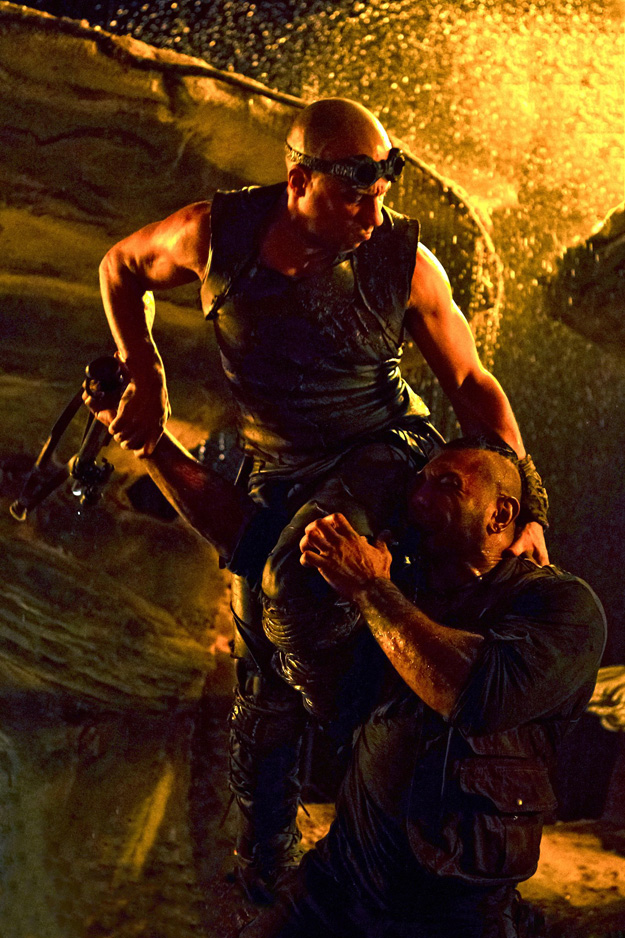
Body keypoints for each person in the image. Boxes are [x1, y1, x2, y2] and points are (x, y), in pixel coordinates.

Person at [96, 97, 549, 897]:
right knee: (259, 671)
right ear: (298, 181)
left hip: (380, 451)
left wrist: (530, 505)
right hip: (276, 465)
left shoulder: (405, 262)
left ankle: (370, 734)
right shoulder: (213, 235)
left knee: (293, 576)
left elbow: (473, 384)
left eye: (380, 197)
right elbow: (119, 269)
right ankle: (265, 859)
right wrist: (145, 370)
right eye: (352, 198)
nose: (373, 218)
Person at [236, 441, 606, 938]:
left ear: (501, 514)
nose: (419, 497)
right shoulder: (404, 585)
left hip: (455, 913)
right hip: (338, 884)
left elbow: (474, 693)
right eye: (419, 482)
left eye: (448, 485)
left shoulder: (560, 605)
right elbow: (249, 543)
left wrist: (370, 588)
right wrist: (156, 452)